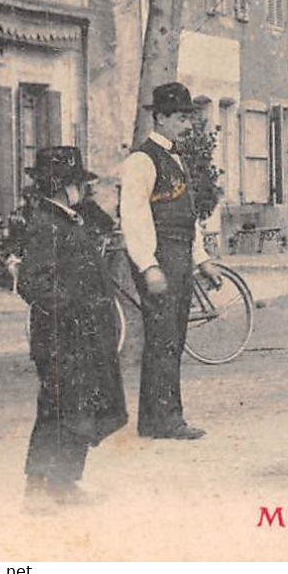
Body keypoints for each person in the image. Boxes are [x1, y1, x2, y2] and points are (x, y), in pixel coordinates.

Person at [16, 147, 126, 510]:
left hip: (82, 335)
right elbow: (32, 282)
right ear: (66, 186)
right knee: (56, 409)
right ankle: (36, 490)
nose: (83, 190)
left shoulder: (66, 219)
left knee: (79, 409)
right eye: (80, 184)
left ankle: (64, 484)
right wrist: (72, 309)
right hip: (62, 335)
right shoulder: (46, 224)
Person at [119, 82, 221, 440]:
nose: (188, 125)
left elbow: (187, 218)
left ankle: (157, 418)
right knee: (163, 337)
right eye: (180, 118)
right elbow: (133, 217)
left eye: (189, 118)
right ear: (159, 117)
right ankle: (165, 419)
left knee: (173, 337)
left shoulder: (175, 160)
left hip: (178, 254)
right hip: (159, 256)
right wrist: (148, 266)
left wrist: (202, 260)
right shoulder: (141, 161)